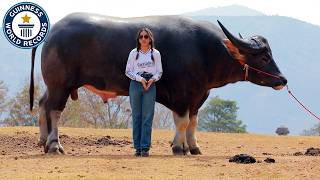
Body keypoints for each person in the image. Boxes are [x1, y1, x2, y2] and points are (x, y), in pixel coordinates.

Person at [125, 27, 163, 157]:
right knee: (137, 116)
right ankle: (137, 148)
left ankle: (145, 147)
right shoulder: (133, 53)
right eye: (141, 37)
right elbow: (128, 71)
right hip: (136, 84)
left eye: (146, 37)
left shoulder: (156, 54)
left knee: (147, 117)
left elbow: (159, 71)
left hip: (150, 85)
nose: (143, 39)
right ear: (138, 39)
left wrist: (152, 80)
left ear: (150, 39)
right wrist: (140, 79)